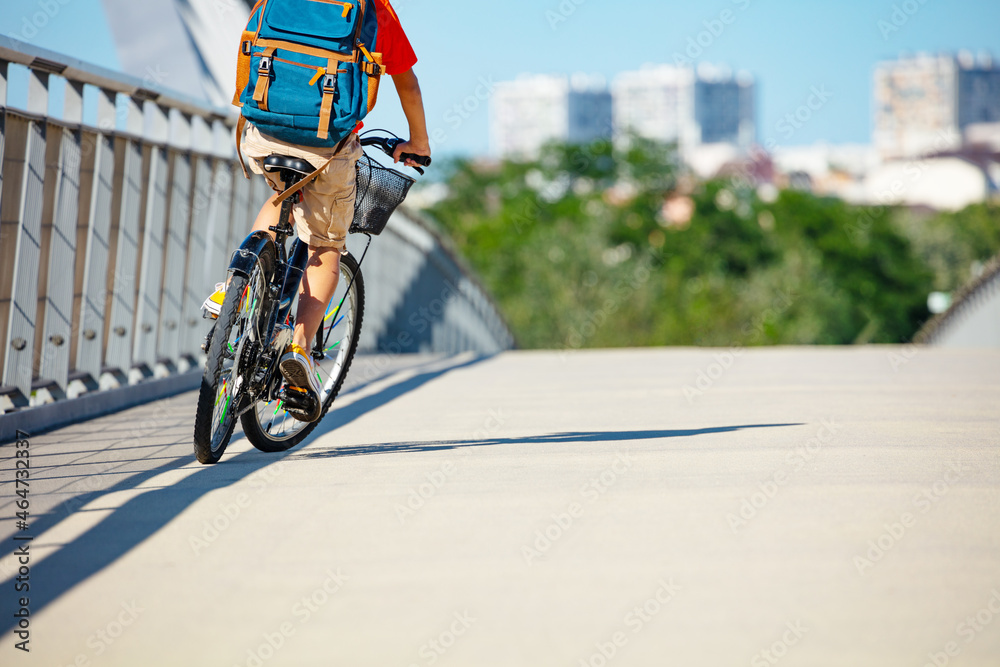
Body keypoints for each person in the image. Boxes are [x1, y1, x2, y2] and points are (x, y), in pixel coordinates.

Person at [203, 0, 430, 422]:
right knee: (326, 244)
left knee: (279, 198)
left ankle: (235, 285)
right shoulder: (374, 9)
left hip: (263, 130)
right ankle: (299, 350)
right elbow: (408, 84)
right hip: (327, 142)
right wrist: (419, 143)